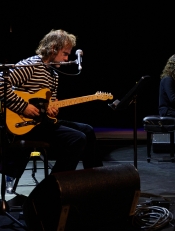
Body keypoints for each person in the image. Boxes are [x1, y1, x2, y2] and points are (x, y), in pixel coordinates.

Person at [0, 29, 102, 175]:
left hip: (42, 122)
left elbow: (50, 106)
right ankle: (53, 189)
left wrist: (52, 110)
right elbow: (0, 82)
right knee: (77, 139)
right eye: (65, 54)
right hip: (25, 124)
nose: (67, 59)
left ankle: (97, 179)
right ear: (53, 49)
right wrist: (23, 106)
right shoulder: (31, 65)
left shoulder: (54, 74)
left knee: (88, 130)